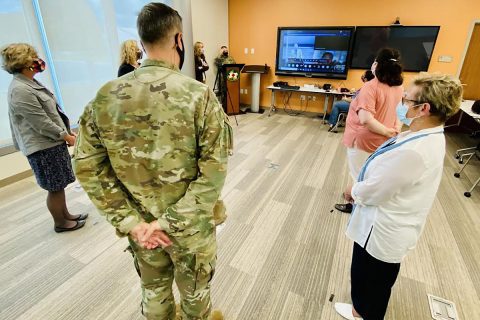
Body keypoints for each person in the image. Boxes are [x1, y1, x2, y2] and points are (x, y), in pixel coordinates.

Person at [73, 3, 232, 320]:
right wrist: (169, 223)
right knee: (195, 301)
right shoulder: (199, 96)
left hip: (142, 232)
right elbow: (213, 173)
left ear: (142, 42)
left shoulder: (104, 97)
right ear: (178, 40)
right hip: (190, 230)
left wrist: (134, 224)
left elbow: (87, 167)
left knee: (155, 297)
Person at [334, 73, 463, 320]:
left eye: (406, 99)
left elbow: (378, 191)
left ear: (423, 108)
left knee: (372, 281)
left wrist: (353, 190)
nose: (401, 103)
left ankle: (364, 313)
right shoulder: (421, 135)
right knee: (367, 277)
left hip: (384, 230)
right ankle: (358, 311)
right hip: (386, 224)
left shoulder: (415, 151)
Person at [1, 43, 87, 232]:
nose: (38, 61)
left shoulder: (29, 83)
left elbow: (52, 113)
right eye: (34, 58)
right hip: (42, 147)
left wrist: (66, 132)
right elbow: (40, 122)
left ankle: (66, 215)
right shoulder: (20, 89)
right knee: (54, 187)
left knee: (59, 184)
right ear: (24, 62)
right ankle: (61, 223)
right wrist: (65, 136)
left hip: (51, 143)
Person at [335, 48, 404, 214]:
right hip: (384, 139)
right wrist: (394, 130)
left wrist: (388, 132)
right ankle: (360, 203)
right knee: (370, 171)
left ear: (376, 64)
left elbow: (365, 119)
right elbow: (400, 112)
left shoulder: (370, 87)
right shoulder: (399, 87)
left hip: (363, 140)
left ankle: (356, 207)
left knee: (359, 174)